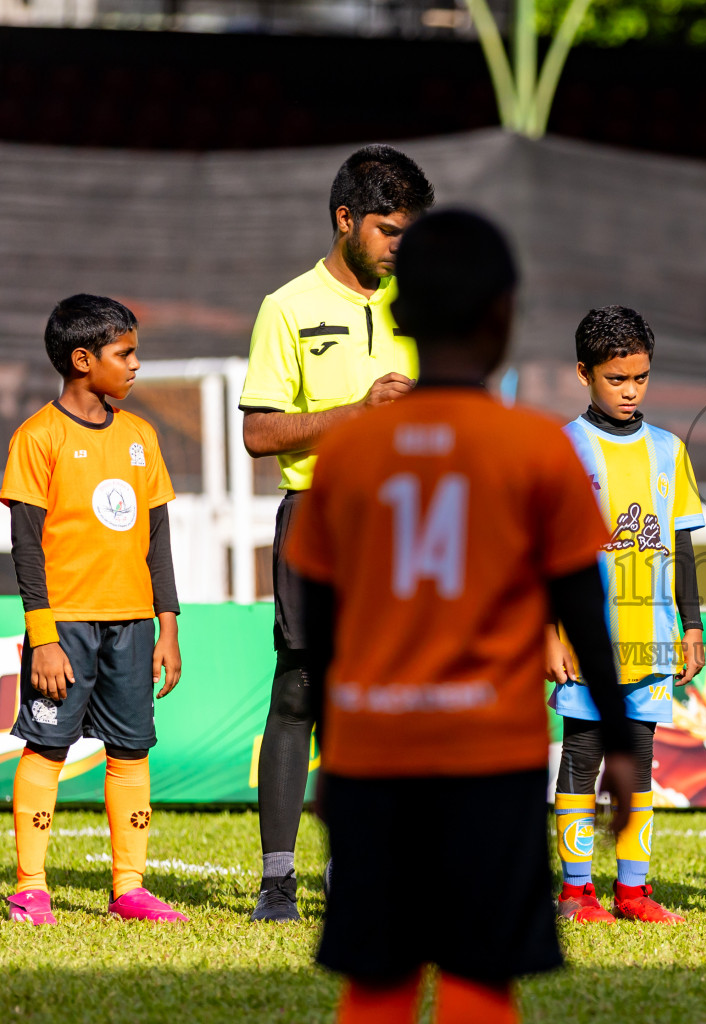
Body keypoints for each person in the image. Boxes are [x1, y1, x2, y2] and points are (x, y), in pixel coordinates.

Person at [284, 210, 636, 1024]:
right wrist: (619, 745)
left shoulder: (348, 456)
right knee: (482, 980)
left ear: (399, 316)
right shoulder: (536, 448)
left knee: (375, 984)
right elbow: (584, 610)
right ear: (504, 314)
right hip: (492, 758)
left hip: (373, 758)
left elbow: (324, 629)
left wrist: (333, 764)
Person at [239, 145, 434, 921]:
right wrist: (359, 413)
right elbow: (259, 434)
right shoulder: (286, 306)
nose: (401, 247)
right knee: (300, 691)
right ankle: (279, 884)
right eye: (389, 231)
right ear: (346, 219)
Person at [4, 295, 184, 925]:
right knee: (47, 746)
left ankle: (129, 888)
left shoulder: (141, 436)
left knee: (131, 750)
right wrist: (43, 636)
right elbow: (26, 547)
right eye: (125, 353)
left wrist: (169, 626)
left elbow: (157, 540)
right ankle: (30, 886)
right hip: (66, 629)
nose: (136, 365)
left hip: (134, 626)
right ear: (83, 360)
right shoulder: (38, 438)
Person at [546, 305, 706, 925]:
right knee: (583, 760)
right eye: (617, 379)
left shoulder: (669, 450)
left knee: (637, 763)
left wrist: (692, 627)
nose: (631, 390)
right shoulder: (562, 449)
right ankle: (575, 892)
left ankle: (633, 892)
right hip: (585, 645)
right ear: (585, 373)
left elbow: (683, 544)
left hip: (652, 641)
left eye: (640, 377)